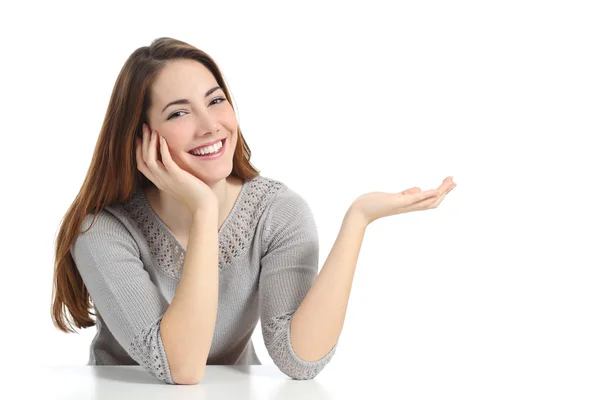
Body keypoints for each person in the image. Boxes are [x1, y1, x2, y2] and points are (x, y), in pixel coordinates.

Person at [50, 37, 457, 385]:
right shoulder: (102, 230)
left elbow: (299, 361)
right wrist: (204, 210)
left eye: (216, 100)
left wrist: (358, 219)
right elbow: (182, 369)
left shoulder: (277, 212)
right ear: (140, 137)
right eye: (179, 112)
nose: (210, 125)